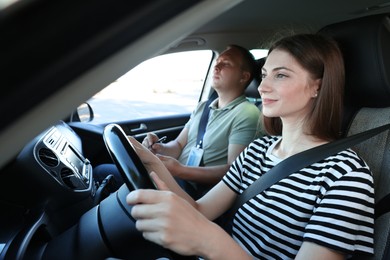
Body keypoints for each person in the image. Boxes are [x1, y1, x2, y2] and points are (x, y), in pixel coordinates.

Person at [125, 33, 374, 259]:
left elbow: (205, 230)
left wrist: (209, 240)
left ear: (317, 86)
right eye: (264, 74)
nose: (263, 87)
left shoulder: (345, 175)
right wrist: (152, 162)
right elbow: (200, 210)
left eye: (281, 75)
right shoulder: (256, 151)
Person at [94, 44, 263, 199]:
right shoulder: (204, 107)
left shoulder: (246, 113)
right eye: (217, 61)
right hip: (174, 178)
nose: (216, 67)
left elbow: (232, 171)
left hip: (195, 192)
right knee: (105, 173)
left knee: (102, 173)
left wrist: (181, 170)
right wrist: (159, 148)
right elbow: (178, 146)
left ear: (243, 77)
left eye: (225, 63)